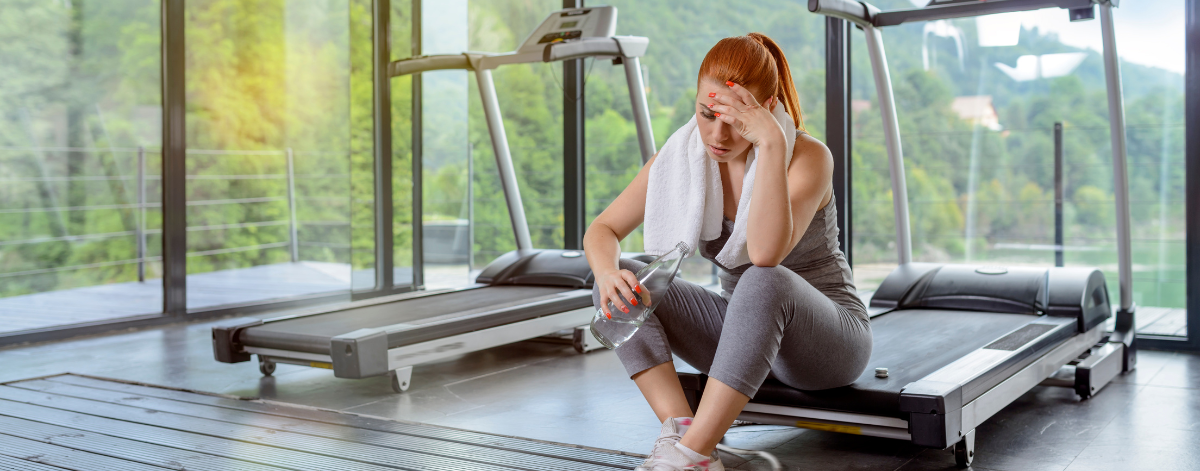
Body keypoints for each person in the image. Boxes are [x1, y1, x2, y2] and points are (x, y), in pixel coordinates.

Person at [583, 32, 872, 471]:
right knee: (624, 275)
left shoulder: (808, 156)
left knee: (763, 278)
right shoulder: (683, 159)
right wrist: (606, 273)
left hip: (827, 343)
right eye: (706, 114)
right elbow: (602, 230)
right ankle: (682, 433)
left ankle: (691, 457)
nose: (716, 135)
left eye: (735, 120)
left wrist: (772, 144)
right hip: (744, 337)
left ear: (764, 109)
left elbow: (765, 254)